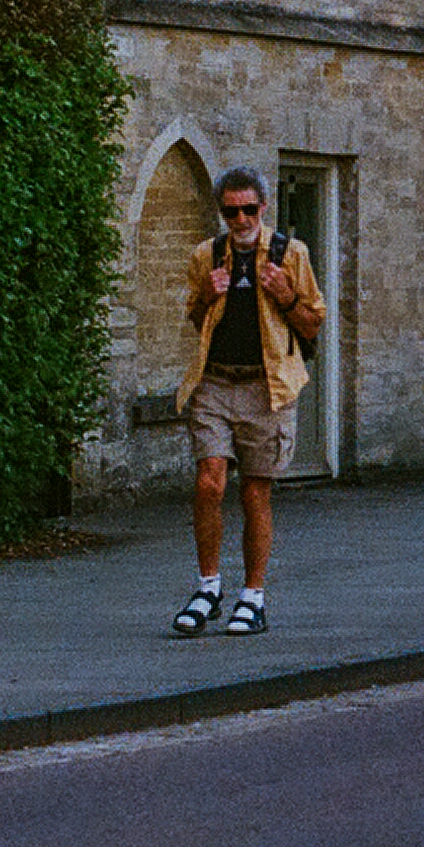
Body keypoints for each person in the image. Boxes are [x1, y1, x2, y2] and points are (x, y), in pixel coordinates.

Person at [171, 166, 325, 637]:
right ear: (222, 212)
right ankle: (208, 587)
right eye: (230, 211)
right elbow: (197, 317)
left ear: (263, 209)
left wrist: (283, 295)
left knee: (255, 491)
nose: (240, 219)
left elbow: (313, 325)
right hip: (216, 383)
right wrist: (206, 298)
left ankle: (253, 596)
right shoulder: (207, 255)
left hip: (267, 388)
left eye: (248, 209)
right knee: (209, 483)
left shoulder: (290, 255)